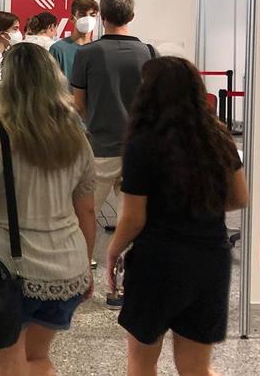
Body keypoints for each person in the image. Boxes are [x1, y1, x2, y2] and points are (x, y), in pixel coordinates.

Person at [0, 43, 96, 376]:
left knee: (4, 369)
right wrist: (86, 268)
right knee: (36, 359)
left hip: (9, 273)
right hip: (65, 269)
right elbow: (86, 212)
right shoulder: (75, 137)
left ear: (6, 83)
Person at [106, 58, 248, 376]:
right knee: (196, 368)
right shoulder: (218, 138)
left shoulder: (142, 144)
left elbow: (133, 218)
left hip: (157, 261)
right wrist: (199, 205)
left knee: (142, 363)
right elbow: (240, 197)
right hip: (210, 259)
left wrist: (113, 251)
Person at [70, 0, 153, 298]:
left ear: (100, 17)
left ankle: (81, 276)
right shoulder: (148, 52)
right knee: (130, 216)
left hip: (101, 145)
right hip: (138, 149)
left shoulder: (86, 54)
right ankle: (123, 284)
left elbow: (79, 103)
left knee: (87, 211)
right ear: (131, 16)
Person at [50, 0, 99, 81]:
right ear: (72, 19)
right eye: (82, 15)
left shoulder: (98, 50)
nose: (87, 19)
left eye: (92, 15)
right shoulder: (58, 50)